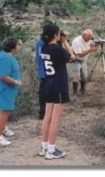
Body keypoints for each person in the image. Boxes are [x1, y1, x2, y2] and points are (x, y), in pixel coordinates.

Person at [39, 24, 75, 159]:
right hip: (59, 86)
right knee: (55, 118)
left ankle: (44, 147)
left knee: (47, 116)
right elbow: (72, 56)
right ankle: (51, 150)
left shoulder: (44, 48)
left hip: (48, 85)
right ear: (55, 35)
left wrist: (61, 41)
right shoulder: (58, 49)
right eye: (59, 33)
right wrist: (65, 42)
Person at [0, 37, 22, 146]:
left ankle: (2, 128)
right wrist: (16, 82)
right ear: (12, 48)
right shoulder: (6, 58)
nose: (19, 46)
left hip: (5, 89)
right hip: (3, 89)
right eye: (18, 44)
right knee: (4, 111)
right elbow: (2, 75)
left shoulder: (5, 54)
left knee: (3, 110)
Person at [71, 29, 99, 96]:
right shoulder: (77, 41)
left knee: (84, 76)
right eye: (89, 37)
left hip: (83, 61)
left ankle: (82, 90)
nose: (91, 39)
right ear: (84, 35)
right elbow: (79, 54)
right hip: (76, 60)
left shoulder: (89, 39)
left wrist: (98, 43)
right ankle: (75, 93)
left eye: (91, 37)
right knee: (76, 77)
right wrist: (91, 49)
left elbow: (94, 44)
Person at [35, 25, 49, 120]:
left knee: (42, 93)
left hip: (42, 72)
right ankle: (46, 113)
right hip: (50, 73)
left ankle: (42, 112)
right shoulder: (50, 45)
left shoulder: (39, 43)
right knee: (49, 94)